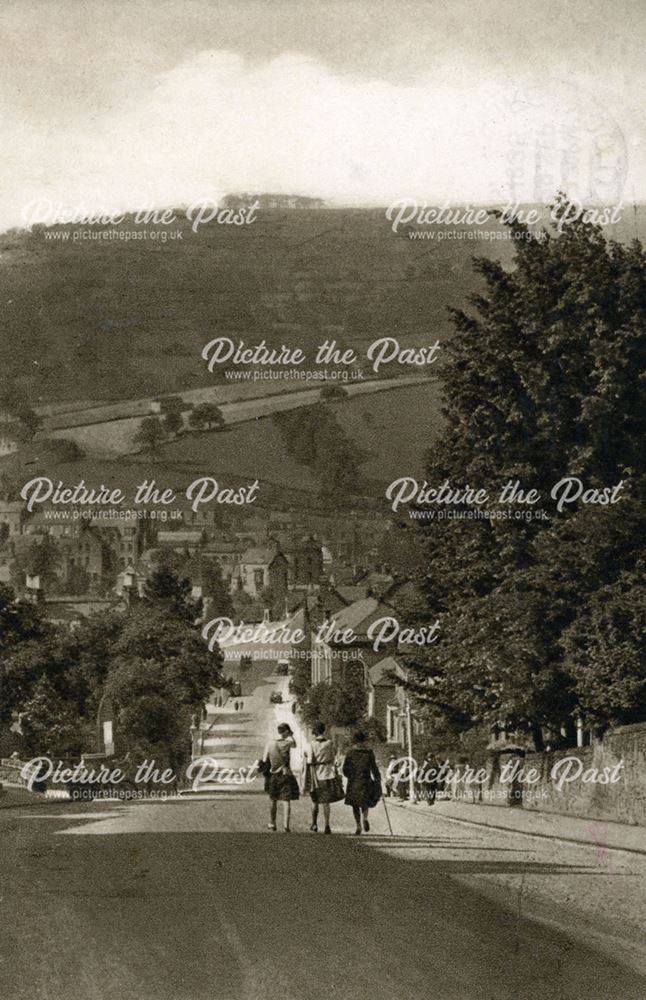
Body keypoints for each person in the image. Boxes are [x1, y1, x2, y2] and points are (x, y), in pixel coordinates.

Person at [343, 730, 381, 835]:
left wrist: (349, 776)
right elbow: (374, 767)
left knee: (355, 805)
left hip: (354, 781)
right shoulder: (369, 752)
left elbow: (345, 769)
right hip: (366, 780)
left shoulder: (350, 753)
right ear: (363, 740)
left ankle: (358, 825)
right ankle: (365, 818)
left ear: (354, 740)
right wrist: (378, 778)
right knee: (364, 802)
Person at [262, 722, 299, 832]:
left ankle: (272, 823)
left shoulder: (270, 744)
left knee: (273, 799)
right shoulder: (287, 743)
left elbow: (264, 759)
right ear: (286, 732)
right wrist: (290, 735)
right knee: (286, 800)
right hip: (286, 773)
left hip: (273, 774)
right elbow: (294, 744)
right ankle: (286, 825)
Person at [307, 721, 337, 835]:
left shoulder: (312, 744)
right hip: (327, 774)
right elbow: (333, 758)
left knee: (314, 801)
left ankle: (314, 823)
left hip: (316, 775)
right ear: (324, 730)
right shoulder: (329, 743)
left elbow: (310, 760)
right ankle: (327, 825)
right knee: (326, 802)